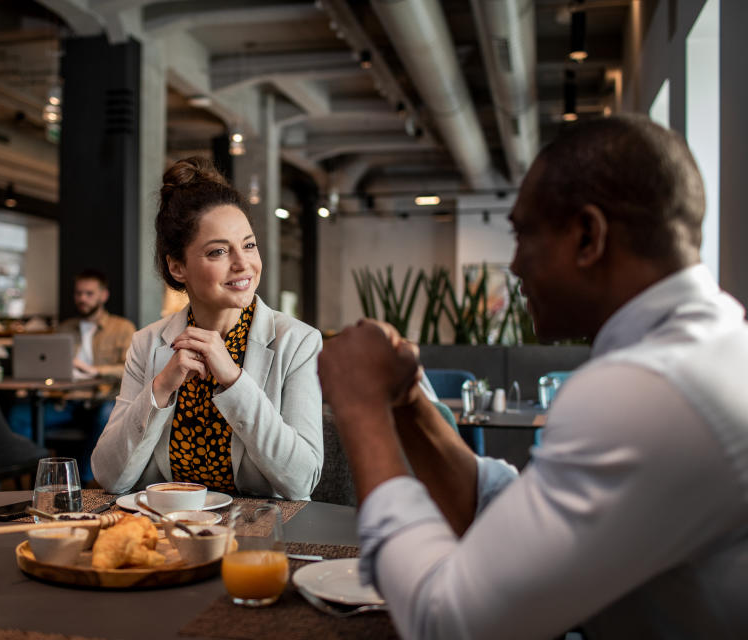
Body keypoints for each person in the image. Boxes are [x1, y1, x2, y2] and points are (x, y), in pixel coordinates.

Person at [318, 115, 748, 638]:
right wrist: (407, 403)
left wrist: (360, 408)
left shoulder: (651, 389)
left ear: (588, 236)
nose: (514, 266)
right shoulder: (704, 348)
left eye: (522, 235)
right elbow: (521, 513)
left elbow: (446, 622)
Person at [91, 157, 323, 500]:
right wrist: (161, 387)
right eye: (218, 251)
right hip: (166, 535)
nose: (243, 263)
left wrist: (233, 379)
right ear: (177, 267)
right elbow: (111, 478)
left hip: (256, 541)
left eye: (249, 245)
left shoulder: (298, 343)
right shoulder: (147, 344)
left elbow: (302, 481)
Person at [10, 270, 135, 484]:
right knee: (18, 416)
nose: (82, 299)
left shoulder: (122, 328)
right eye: (79, 293)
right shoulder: (65, 328)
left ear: (103, 295)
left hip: (100, 400)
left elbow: (131, 368)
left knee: (106, 416)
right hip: (65, 402)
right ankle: (37, 478)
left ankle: (83, 481)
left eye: (89, 293)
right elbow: (49, 365)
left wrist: (94, 370)